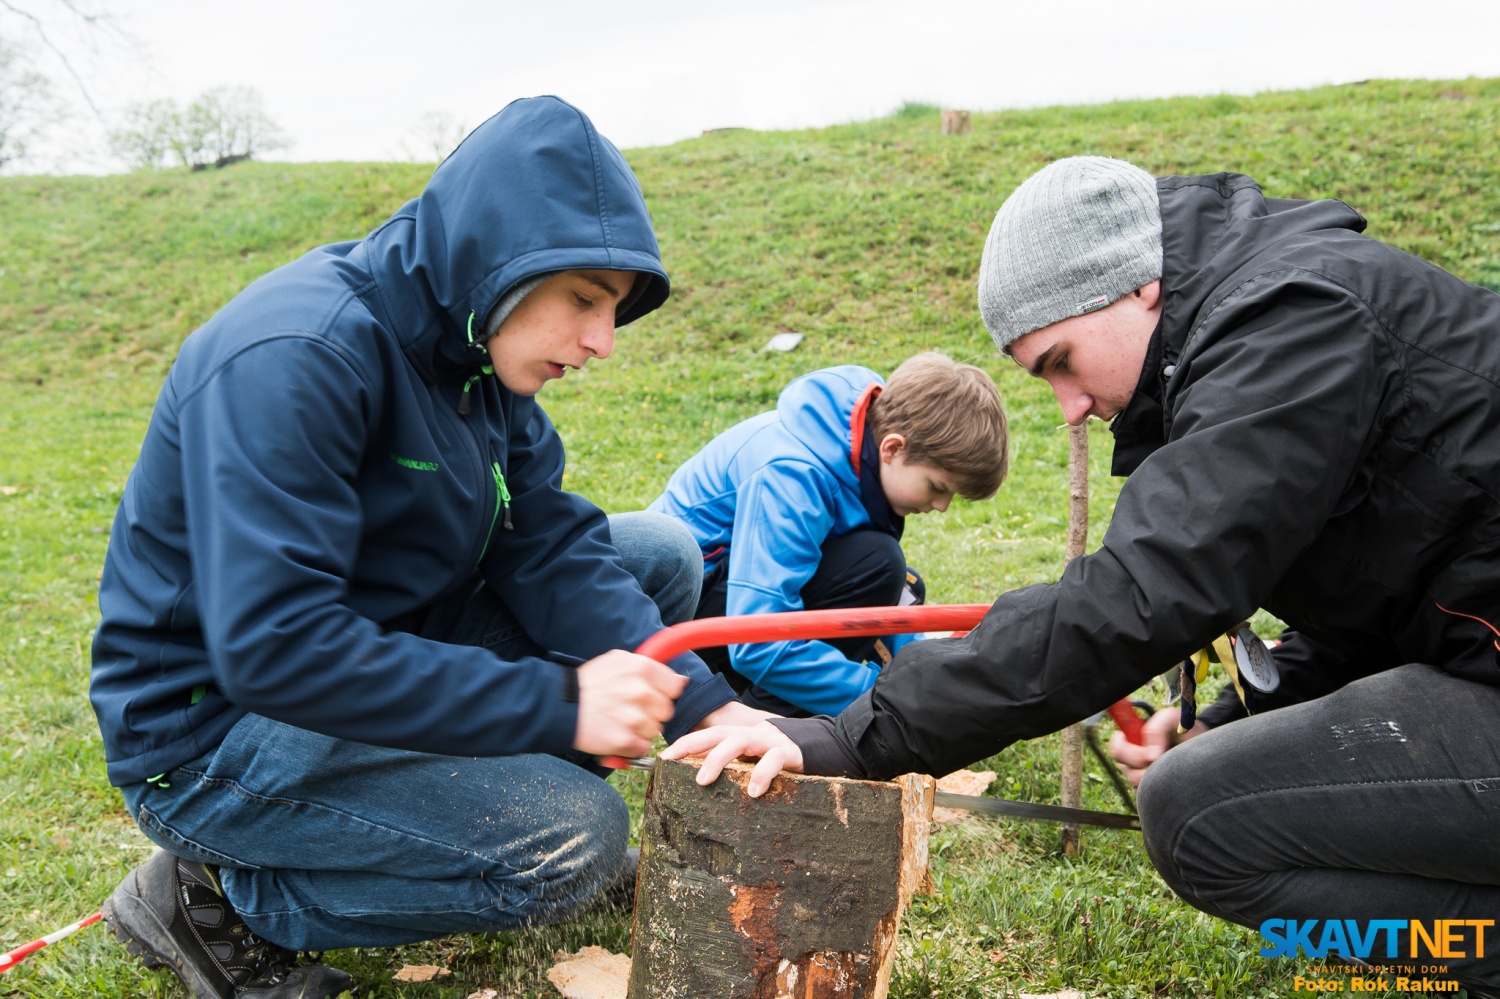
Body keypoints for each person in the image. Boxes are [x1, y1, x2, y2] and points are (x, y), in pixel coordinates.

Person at [666, 156, 1500, 993]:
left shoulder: (1291, 322)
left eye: (1061, 360)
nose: (1069, 406)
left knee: (1195, 814)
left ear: (1138, 285)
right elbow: (1390, 602)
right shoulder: (1271, 316)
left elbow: (1145, 588)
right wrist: (1243, 710)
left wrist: (852, 735)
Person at [88, 96, 762, 999]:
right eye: (585, 300)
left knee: (659, 556)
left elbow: (546, 545)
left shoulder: (475, 356)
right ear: (501, 256)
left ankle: (458, 813)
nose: (601, 341)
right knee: (573, 841)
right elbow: (276, 649)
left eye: (614, 310)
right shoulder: (298, 353)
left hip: (366, 650)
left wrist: (705, 708)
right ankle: (223, 896)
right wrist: (559, 702)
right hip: (217, 727)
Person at [649, 354, 1008, 716]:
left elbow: (885, 602)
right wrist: (884, 698)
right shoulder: (793, 476)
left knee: (904, 586)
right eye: (937, 487)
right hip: (670, 620)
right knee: (878, 565)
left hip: (726, 599)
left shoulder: (856, 448)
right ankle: (763, 729)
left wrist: (921, 672)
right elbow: (756, 644)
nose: (942, 506)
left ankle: (800, 718)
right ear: (893, 448)